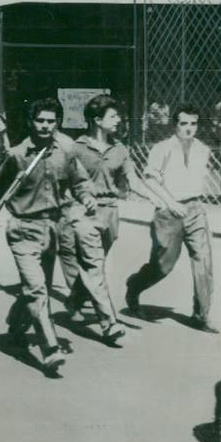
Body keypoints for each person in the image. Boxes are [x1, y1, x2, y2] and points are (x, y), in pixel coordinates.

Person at [0, 98, 98, 373]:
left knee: (38, 289)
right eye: (40, 121)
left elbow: (79, 181)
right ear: (30, 122)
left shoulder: (66, 151)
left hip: (52, 229)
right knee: (36, 288)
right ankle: (50, 349)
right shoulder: (17, 155)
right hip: (23, 229)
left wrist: (87, 197)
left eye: (50, 121)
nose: (46, 126)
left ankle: (14, 329)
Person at [63, 95, 164, 326]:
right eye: (113, 116)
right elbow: (65, 181)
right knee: (95, 264)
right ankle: (109, 323)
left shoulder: (121, 149)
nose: (119, 120)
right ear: (98, 120)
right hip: (84, 212)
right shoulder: (76, 148)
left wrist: (154, 197)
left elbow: (133, 181)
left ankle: (74, 299)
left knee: (94, 263)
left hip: (110, 213)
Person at [125, 104, 215, 332]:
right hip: (168, 211)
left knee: (203, 260)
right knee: (163, 266)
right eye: (183, 123)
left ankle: (201, 316)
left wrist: (194, 205)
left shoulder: (203, 149)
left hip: (195, 210)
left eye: (193, 124)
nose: (189, 128)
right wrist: (172, 203)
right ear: (175, 125)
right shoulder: (162, 149)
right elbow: (150, 180)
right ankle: (135, 285)